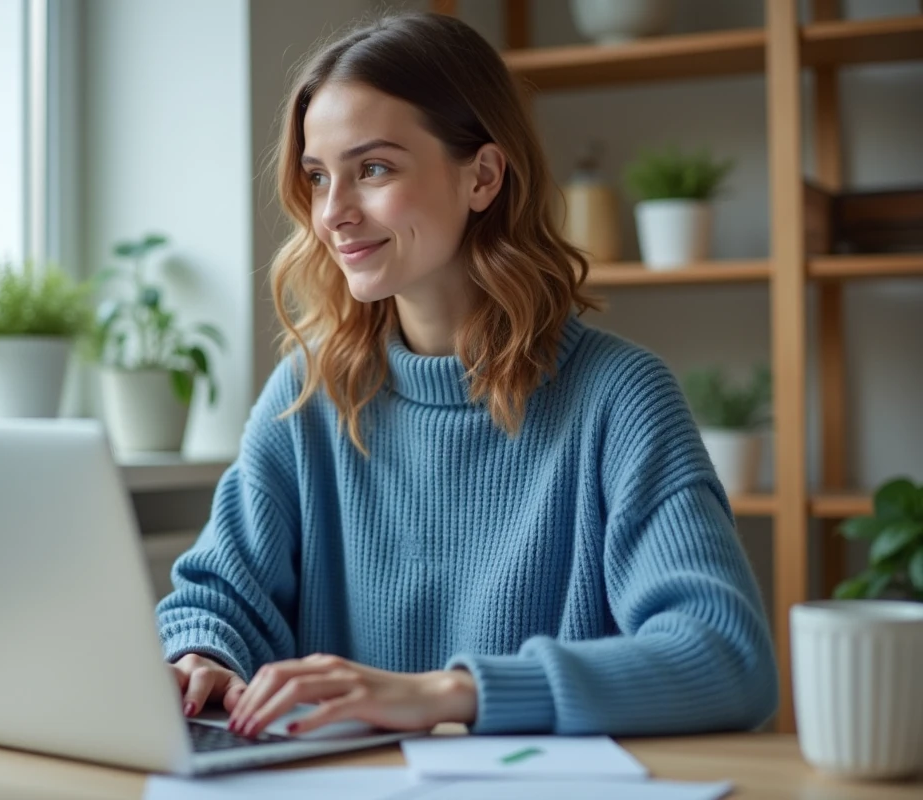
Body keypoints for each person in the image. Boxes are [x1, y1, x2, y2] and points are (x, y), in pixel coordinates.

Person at [156, 11, 778, 739]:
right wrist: (200, 656)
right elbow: (220, 596)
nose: (333, 213)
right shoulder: (307, 395)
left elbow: (727, 659)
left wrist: (450, 693)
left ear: (482, 175)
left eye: (374, 169)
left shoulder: (620, 399)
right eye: (318, 176)